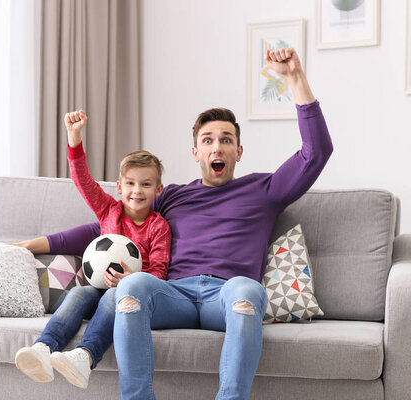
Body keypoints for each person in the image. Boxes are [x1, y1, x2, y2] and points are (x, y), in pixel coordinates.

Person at [42, 48, 333, 399]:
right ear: (195, 152)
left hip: (225, 295)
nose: (217, 148)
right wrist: (42, 243)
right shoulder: (171, 197)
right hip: (173, 294)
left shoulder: (264, 189)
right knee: (132, 288)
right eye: (207, 141)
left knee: (247, 292)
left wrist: (295, 77)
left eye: (226, 140)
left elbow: (316, 151)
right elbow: (110, 224)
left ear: (238, 151)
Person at [13, 110, 172, 389]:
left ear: (158, 189)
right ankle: (43, 348)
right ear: (119, 186)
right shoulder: (109, 209)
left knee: (113, 296)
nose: (137, 191)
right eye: (131, 184)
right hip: (93, 289)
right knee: (78, 292)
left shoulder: (158, 227)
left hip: (126, 294)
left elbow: (159, 272)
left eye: (146, 184)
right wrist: (74, 138)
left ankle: (84, 357)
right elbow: (83, 181)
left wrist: (130, 280)